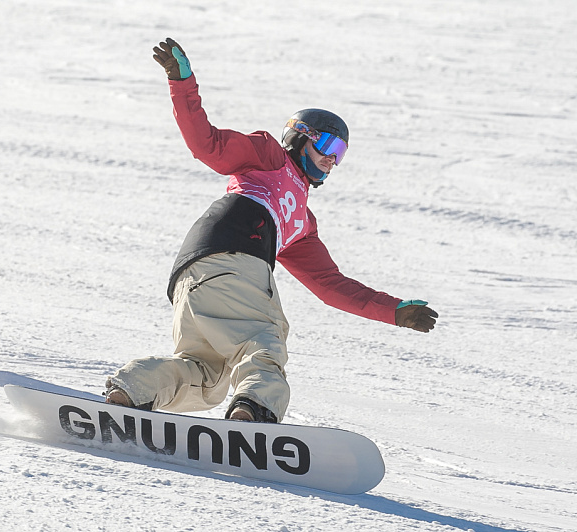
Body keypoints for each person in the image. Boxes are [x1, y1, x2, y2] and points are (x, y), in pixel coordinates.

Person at [104, 38, 438, 423]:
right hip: (236, 258)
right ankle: (253, 414)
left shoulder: (301, 225)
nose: (331, 160)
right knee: (265, 341)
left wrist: (394, 311)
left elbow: (330, 285)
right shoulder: (270, 157)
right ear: (299, 136)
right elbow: (207, 144)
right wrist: (182, 83)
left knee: (206, 374)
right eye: (327, 145)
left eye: (340, 154)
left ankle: (130, 393)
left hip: (192, 276)